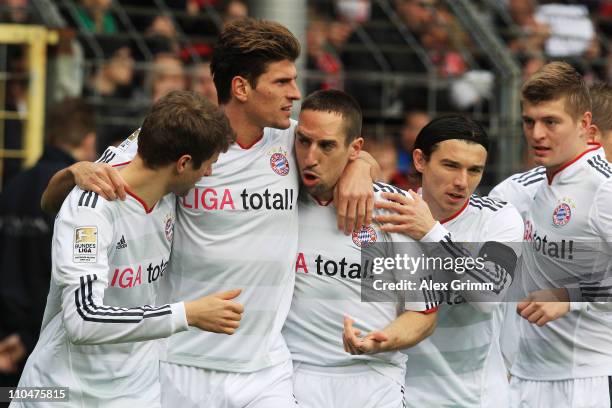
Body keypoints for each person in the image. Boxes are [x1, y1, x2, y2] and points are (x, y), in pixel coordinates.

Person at [40, 19, 377, 407]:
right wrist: (73, 171)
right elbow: (58, 201)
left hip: (265, 367)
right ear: (241, 87)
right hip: (179, 363)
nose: (296, 94)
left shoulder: (296, 140)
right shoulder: (184, 139)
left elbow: (345, 147)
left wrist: (362, 168)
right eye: (282, 83)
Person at [11, 91, 242, 407]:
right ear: (184, 163)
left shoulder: (152, 150)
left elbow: (184, 117)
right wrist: (188, 314)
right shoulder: (91, 212)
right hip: (61, 393)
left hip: (136, 391)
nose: (210, 175)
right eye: (209, 165)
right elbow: (83, 320)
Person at [282, 89, 437, 408]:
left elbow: (423, 312)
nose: (310, 157)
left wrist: (384, 340)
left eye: (327, 146)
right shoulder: (279, 196)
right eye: (303, 141)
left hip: (374, 380)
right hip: (293, 378)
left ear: (355, 149)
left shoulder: (393, 208)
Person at [374, 115, 524, 407]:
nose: (462, 182)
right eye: (451, 165)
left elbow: (488, 297)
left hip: (475, 399)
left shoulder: (498, 218)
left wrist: (430, 233)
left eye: (474, 170)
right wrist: (360, 165)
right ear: (419, 160)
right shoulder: (388, 212)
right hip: (401, 395)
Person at [488, 62, 612, 408]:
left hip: (585, 380)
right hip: (527, 377)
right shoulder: (529, 188)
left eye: (551, 122)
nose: (537, 134)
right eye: (529, 122)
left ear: (585, 125)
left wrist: (570, 295)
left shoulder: (603, 187)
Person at [0, 99, 96, 389]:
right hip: (47, 341)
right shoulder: (80, 196)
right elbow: (68, 272)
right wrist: (27, 337)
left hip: (6, 339)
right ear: (89, 141)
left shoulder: (14, 186)